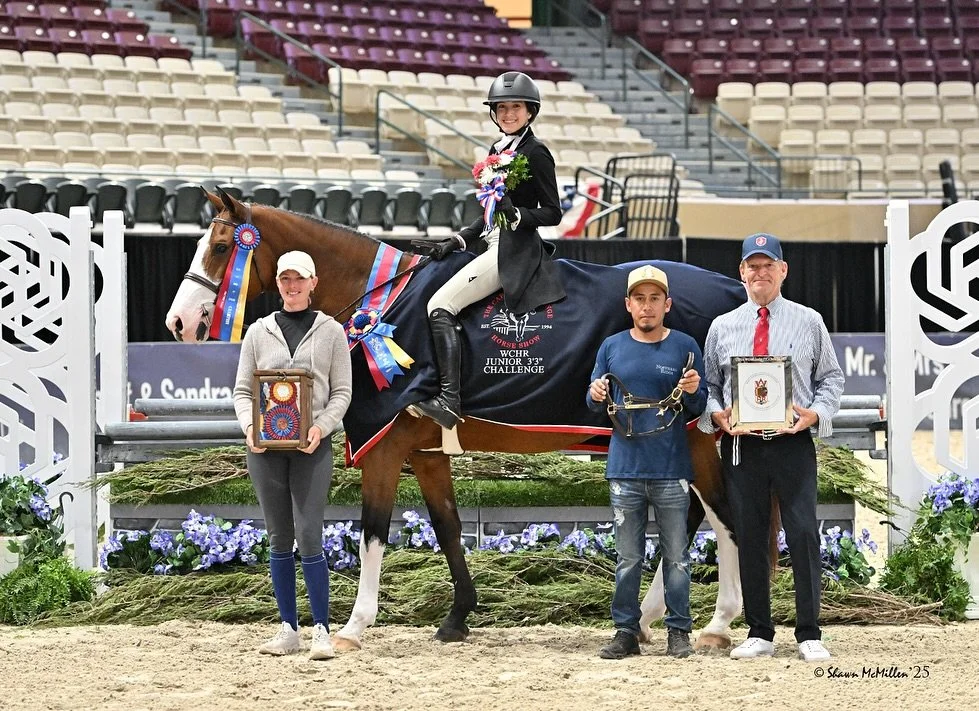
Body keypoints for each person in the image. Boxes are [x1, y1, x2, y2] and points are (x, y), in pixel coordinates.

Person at [699, 233, 844, 663]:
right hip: (743, 448)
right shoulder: (722, 327)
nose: (759, 273)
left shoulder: (809, 321)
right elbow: (708, 385)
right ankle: (759, 631)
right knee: (751, 536)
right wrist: (717, 413)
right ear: (741, 272)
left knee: (801, 533)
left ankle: (809, 632)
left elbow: (832, 379)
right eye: (752, 266)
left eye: (768, 266)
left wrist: (815, 414)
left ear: (783, 271)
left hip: (792, 442)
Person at [407, 71, 566, 430]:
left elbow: (553, 211)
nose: (509, 113)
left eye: (516, 107)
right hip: (490, 242)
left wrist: (519, 214)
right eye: (502, 107)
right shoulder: (496, 151)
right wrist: (459, 240)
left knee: (440, 305)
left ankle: (449, 401)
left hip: (514, 250)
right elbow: (488, 215)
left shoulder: (535, 152)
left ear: (530, 112)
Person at [233, 250, 352, 660]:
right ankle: (288, 628)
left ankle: (321, 629)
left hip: (312, 448)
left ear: (313, 282)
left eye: (299, 279)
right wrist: (250, 428)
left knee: (310, 535)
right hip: (266, 450)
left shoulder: (332, 332)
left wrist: (322, 427)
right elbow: (243, 391)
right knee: (279, 537)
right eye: (285, 279)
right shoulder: (257, 332)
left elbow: (342, 393)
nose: (292, 286)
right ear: (279, 284)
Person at [587, 265, 706, 660]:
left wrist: (692, 390)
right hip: (625, 469)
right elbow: (593, 400)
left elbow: (698, 406)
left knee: (677, 557)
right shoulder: (611, 347)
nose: (647, 306)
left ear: (667, 304)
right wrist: (596, 390)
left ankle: (678, 631)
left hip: (672, 468)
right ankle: (626, 631)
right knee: (628, 559)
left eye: (655, 298)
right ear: (628, 304)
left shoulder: (686, 347)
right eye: (640, 298)